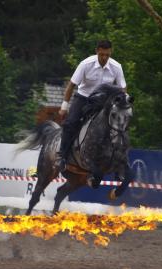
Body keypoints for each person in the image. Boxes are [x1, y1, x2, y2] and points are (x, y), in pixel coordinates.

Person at [57, 40, 127, 171]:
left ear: (111, 52)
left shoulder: (117, 67)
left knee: (118, 126)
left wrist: (121, 106)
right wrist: (64, 107)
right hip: (84, 98)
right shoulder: (85, 64)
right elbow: (71, 85)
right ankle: (62, 156)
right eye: (102, 55)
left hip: (104, 102)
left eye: (107, 55)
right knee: (70, 123)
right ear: (97, 52)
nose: (104, 58)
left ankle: (119, 160)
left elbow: (123, 89)